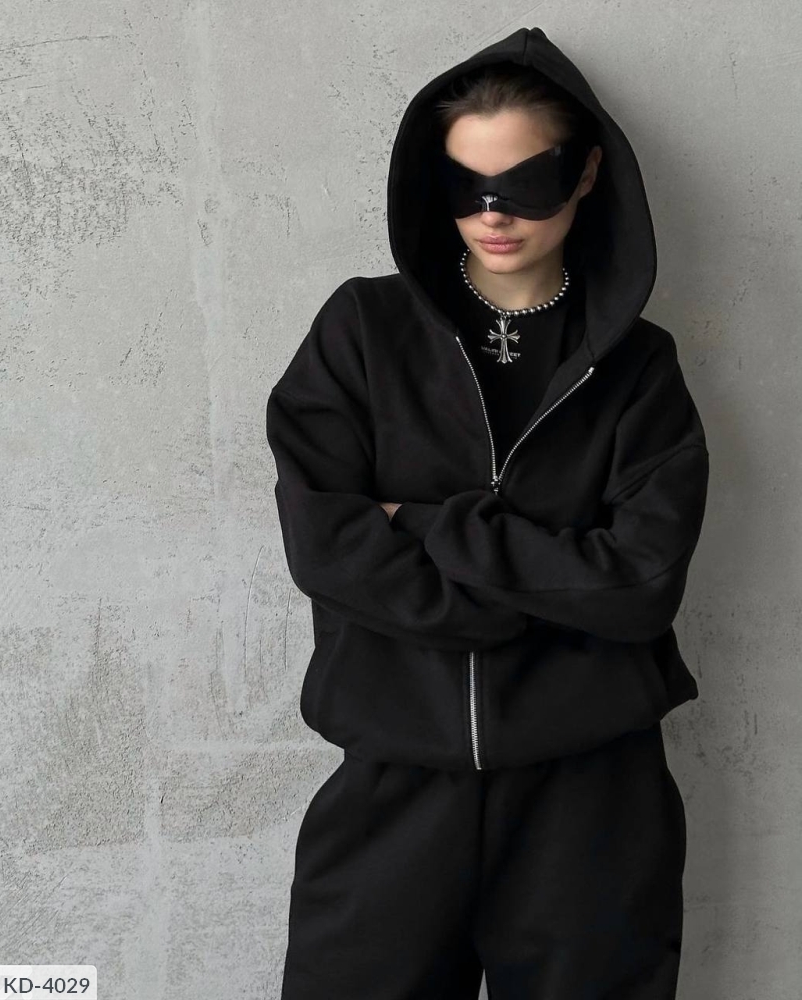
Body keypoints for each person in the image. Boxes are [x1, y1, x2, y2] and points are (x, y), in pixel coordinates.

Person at [266, 24, 709, 1000]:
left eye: (526, 182)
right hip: (394, 782)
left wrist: (430, 526)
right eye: (466, 184)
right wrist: (532, 593)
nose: (493, 213)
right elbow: (324, 542)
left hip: (591, 799)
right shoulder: (361, 331)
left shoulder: (639, 369)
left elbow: (640, 582)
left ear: (585, 174)